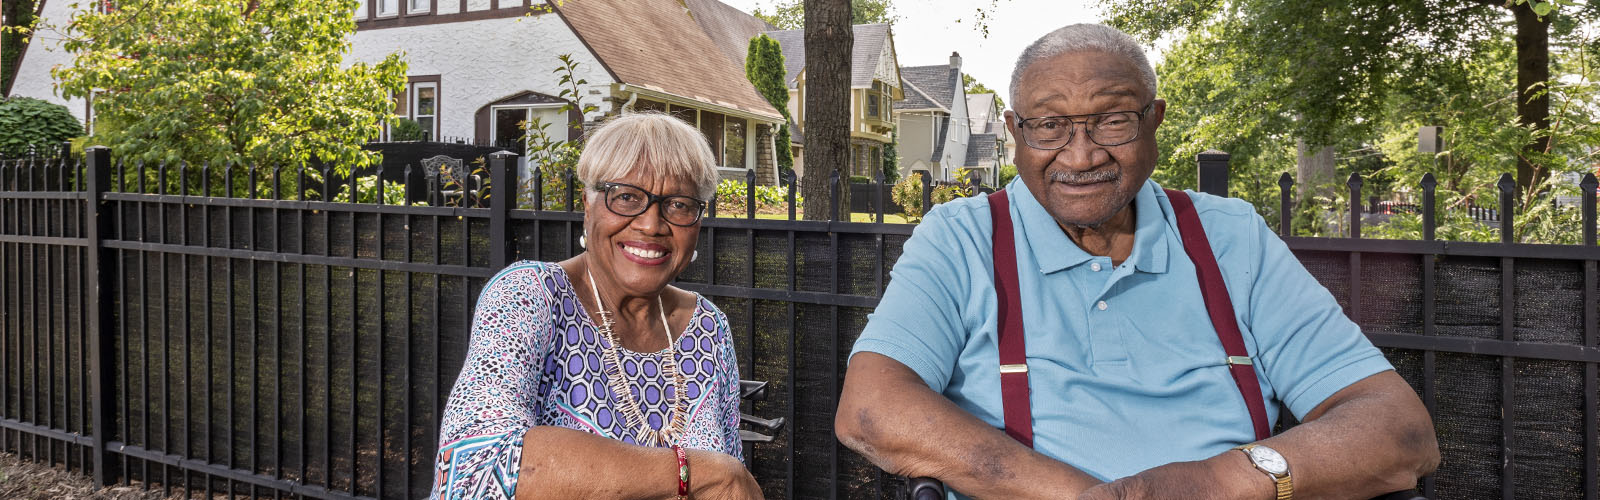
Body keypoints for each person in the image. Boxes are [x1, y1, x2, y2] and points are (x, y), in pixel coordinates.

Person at [835, 24, 1439, 499]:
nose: (1080, 154)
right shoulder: (961, 238)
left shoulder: (1229, 237)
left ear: (1155, 119)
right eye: (1048, 126)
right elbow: (871, 409)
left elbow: (1399, 431)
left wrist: (1223, 483)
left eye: (1112, 119)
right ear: (1016, 131)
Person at [430, 113, 761, 500]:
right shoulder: (530, 296)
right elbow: (473, 472)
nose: (651, 224)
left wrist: (721, 477)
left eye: (678, 204)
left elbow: (731, 486)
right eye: (626, 197)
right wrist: (695, 472)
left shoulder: (708, 328)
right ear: (588, 205)